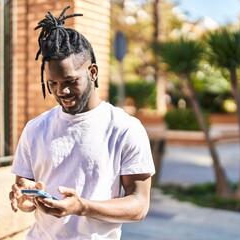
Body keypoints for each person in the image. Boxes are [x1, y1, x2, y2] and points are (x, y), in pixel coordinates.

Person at [9, 6, 155, 240]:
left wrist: (82, 207)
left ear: (93, 72)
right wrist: (24, 198)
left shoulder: (125, 128)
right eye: (52, 83)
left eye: (70, 81)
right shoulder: (35, 128)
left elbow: (139, 205)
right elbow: (27, 196)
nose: (61, 91)